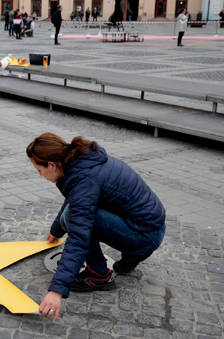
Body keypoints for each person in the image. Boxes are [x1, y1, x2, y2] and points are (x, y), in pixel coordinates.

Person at [26, 133, 166, 322]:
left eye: (38, 170)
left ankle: (99, 274)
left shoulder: (83, 178)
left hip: (145, 234)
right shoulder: (82, 161)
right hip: (150, 226)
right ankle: (132, 256)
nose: (40, 175)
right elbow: (75, 199)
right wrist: (56, 229)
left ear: (51, 164)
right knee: (74, 214)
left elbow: (78, 235)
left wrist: (56, 291)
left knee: (73, 219)